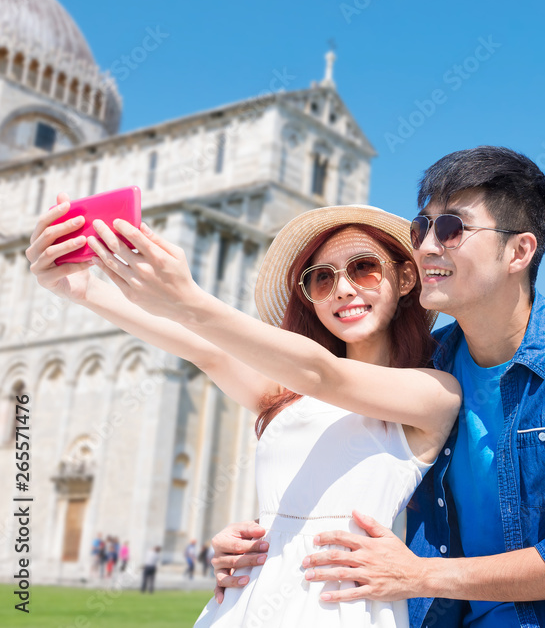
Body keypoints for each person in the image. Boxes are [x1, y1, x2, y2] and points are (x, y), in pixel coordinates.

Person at [208, 147, 545, 625]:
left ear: (519, 251)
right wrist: (264, 541)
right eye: (422, 228)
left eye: (451, 229)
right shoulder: (421, 368)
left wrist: (423, 575)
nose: (424, 247)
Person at [28, 199, 460, 626]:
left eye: (364, 268)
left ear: (406, 278)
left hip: (338, 606)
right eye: (322, 279)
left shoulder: (433, 392)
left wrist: (189, 300)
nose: (344, 289)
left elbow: (323, 372)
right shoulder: (287, 396)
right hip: (246, 603)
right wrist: (86, 291)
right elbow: (207, 352)